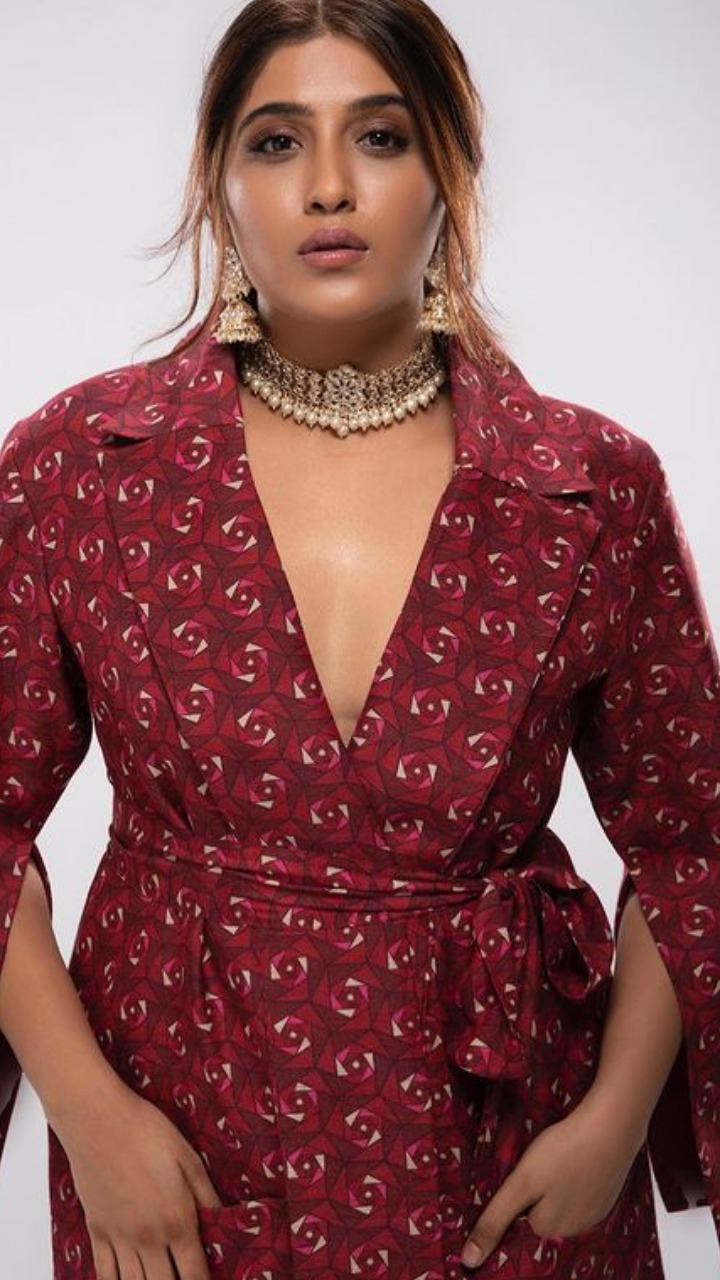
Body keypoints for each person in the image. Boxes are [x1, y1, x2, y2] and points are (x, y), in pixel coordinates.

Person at [0, 0, 718, 1277]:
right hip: (177, 1155)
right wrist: (91, 1114)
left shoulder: (589, 483)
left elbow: (690, 836)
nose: (328, 185)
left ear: (451, 170)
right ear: (218, 181)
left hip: (512, 1157)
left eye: (380, 137)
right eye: (277, 141)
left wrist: (613, 1121)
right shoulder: (82, 466)